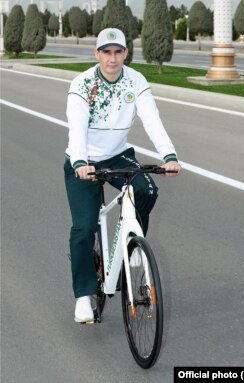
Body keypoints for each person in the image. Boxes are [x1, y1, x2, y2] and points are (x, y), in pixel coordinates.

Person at [64, 28, 181, 323]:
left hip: (118, 154)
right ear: (97, 54)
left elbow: (152, 120)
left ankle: (131, 250)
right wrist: (79, 161)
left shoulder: (135, 80)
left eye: (118, 52)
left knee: (148, 191)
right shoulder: (83, 84)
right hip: (84, 160)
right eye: (106, 52)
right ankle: (83, 294)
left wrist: (168, 155)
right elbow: (76, 128)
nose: (112, 59)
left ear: (126, 53)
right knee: (83, 228)